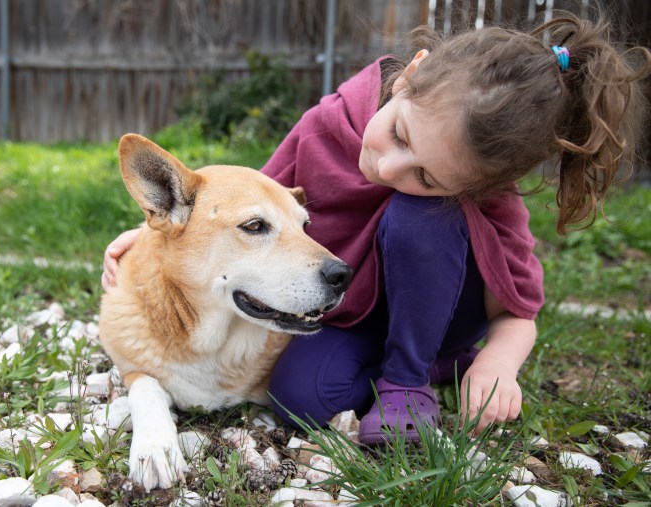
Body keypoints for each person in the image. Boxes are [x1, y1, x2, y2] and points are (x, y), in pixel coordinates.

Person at [101, 11, 651, 443]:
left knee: (419, 217)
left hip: (437, 308)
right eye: (401, 136)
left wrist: (499, 363)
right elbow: (245, 200)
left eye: (428, 175)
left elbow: (520, 310)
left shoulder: (487, 193)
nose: (387, 169)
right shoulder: (325, 125)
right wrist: (154, 237)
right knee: (302, 399)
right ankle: (432, 369)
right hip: (351, 307)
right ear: (408, 77)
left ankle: (407, 381)